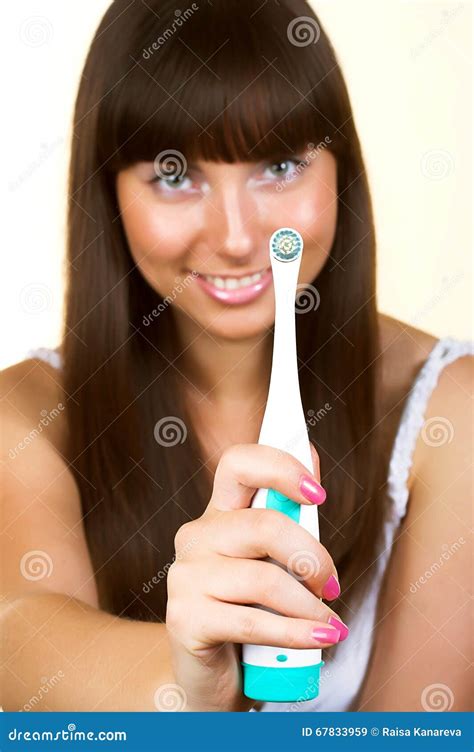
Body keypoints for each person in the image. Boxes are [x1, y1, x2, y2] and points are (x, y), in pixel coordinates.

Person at [1, 0, 472, 712]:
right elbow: (22, 647)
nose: (235, 236)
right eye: (173, 173)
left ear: (341, 170)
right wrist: (187, 678)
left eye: (279, 163)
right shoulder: (24, 418)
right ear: (110, 192)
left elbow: (416, 725)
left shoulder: (451, 410)